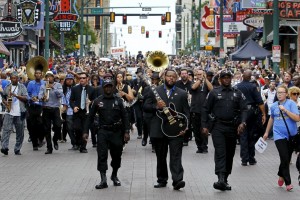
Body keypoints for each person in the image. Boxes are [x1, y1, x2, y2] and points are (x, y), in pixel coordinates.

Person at [143, 69, 190, 190]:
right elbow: (145, 106)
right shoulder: (154, 91)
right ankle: (162, 179)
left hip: (176, 130)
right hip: (159, 128)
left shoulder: (182, 93)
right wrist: (155, 106)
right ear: (164, 77)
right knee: (161, 156)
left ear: (177, 78)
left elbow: (187, 113)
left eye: (173, 77)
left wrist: (186, 128)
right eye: (169, 76)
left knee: (176, 156)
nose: (171, 79)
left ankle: (177, 180)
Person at [202, 70, 248, 191]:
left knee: (230, 153)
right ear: (220, 80)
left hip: (232, 127)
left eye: (228, 77)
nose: (226, 79)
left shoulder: (237, 93)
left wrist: (243, 122)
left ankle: (225, 179)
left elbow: (244, 109)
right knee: (220, 152)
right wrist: (204, 126)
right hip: (218, 126)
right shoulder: (214, 93)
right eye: (224, 78)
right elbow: (205, 109)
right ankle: (220, 178)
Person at [84, 78, 130, 189]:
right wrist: (85, 131)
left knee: (117, 156)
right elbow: (90, 117)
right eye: (106, 86)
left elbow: (125, 117)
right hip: (102, 131)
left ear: (113, 87)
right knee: (102, 155)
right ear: (103, 88)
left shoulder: (118, 100)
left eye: (110, 86)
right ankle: (103, 179)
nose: (108, 88)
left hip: (116, 132)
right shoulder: (97, 101)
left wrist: (127, 131)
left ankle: (114, 175)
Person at [263, 85, 300, 191]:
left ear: (286, 94)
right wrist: (266, 132)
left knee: (286, 159)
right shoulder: (274, 106)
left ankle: (281, 174)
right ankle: (288, 183)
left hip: (291, 135)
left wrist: (286, 111)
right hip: (278, 135)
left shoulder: (291, 104)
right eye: (278, 93)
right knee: (284, 157)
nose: (279, 94)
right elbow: (271, 119)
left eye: (281, 92)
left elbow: (297, 118)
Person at [236, 69, 266, 166]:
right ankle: (251, 158)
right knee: (252, 135)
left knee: (243, 135)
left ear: (242, 76)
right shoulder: (253, 87)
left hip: (241, 112)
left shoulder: (236, 87)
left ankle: (244, 159)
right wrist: (264, 114)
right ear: (250, 77)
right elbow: (260, 102)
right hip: (252, 112)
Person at [1, 72, 28, 155]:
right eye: (12, 78)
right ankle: (4, 147)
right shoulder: (7, 87)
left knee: (20, 133)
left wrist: (15, 95)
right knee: (6, 130)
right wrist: (5, 102)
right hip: (9, 112)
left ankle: (17, 149)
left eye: (15, 78)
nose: (13, 79)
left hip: (20, 112)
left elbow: (26, 98)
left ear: (18, 79)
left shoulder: (22, 87)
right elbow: (3, 97)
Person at [70, 72, 96, 153]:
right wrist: (74, 106)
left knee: (85, 130)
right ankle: (78, 142)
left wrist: (90, 102)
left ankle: (83, 147)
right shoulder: (75, 88)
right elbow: (71, 100)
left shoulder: (92, 89)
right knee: (77, 128)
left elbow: (95, 100)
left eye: (83, 78)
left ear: (87, 79)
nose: (81, 79)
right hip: (77, 112)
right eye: (80, 78)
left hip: (87, 113)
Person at [39, 71, 63, 154]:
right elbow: (39, 96)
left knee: (58, 126)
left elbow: (60, 95)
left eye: (50, 76)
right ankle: (49, 147)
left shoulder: (58, 85)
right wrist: (42, 97)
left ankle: (55, 139)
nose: (49, 78)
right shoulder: (43, 86)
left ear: (53, 77)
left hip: (55, 108)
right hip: (46, 108)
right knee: (47, 129)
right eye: (47, 77)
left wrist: (53, 88)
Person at [190, 69, 213, 153]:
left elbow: (212, 89)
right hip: (195, 110)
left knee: (204, 129)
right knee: (196, 130)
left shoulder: (206, 83)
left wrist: (205, 79)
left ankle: (204, 146)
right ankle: (199, 146)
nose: (200, 75)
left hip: (204, 110)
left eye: (201, 74)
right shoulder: (193, 82)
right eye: (198, 74)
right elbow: (193, 87)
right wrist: (199, 79)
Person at [26, 69, 46, 151]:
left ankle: (41, 138)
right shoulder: (31, 83)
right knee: (32, 125)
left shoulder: (44, 83)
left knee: (41, 124)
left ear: (41, 75)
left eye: (39, 73)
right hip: (33, 106)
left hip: (41, 105)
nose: (38, 75)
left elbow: (46, 93)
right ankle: (34, 144)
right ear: (34, 75)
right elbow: (27, 94)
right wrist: (31, 98)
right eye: (36, 73)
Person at [175, 68, 192, 146]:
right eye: (182, 73)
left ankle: (186, 139)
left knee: (187, 120)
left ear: (188, 75)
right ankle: (179, 137)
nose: (184, 75)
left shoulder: (192, 83)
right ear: (180, 75)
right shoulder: (177, 83)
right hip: (179, 105)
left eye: (185, 73)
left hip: (189, 105)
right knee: (179, 121)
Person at [61, 74, 77, 150]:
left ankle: (79, 143)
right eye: (68, 79)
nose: (69, 80)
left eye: (71, 79)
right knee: (69, 128)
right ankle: (74, 143)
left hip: (77, 110)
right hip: (68, 111)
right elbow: (63, 102)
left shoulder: (76, 88)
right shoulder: (63, 90)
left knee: (77, 128)